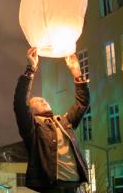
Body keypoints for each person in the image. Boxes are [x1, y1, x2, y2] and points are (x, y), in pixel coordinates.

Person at [13, 47, 90, 193]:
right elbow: (20, 104)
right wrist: (31, 68)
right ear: (31, 111)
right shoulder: (33, 128)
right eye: (36, 101)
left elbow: (83, 103)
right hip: (52, 187)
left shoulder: (64, 121)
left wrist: (77, 73)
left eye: (43, 99)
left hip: (74, 186)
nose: (42, 101)